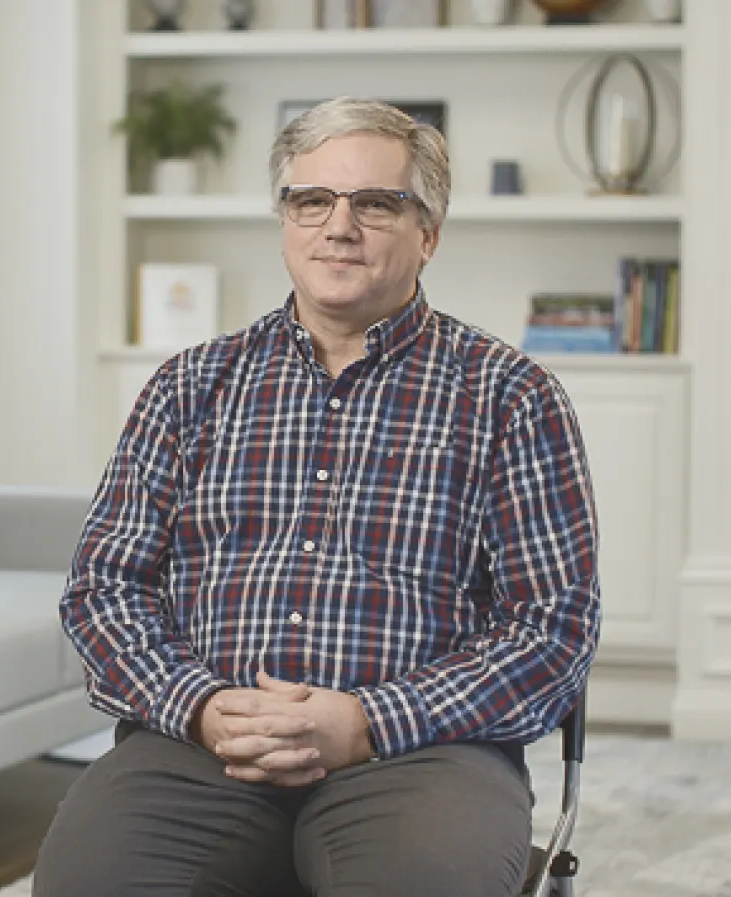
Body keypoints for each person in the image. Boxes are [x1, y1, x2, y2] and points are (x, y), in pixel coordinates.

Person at [34, 96, 601, 897]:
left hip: (423, 753)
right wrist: (200, 705)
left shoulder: (512, 398)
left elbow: (552, 630)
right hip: (201, 745)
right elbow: (105, 588)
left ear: (428, 234)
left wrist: (366, 722)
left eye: (376, 203)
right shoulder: (191, 386)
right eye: (313, 200)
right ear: (286, 222)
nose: (339, 225)